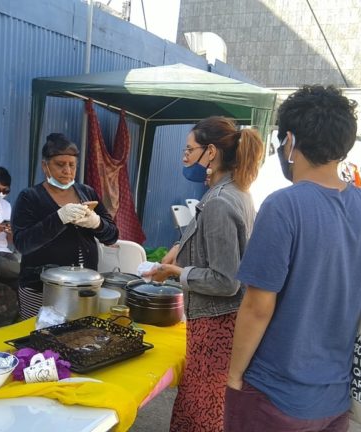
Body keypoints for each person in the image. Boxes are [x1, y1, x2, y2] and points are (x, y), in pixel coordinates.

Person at [225, 85, 361, 432]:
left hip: (274, 395)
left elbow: (258, 305)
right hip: (336, 397)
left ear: (289, 141)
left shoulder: (283, 206)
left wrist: (235, 375)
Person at [144, 117, 264, 432]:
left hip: (217, 326)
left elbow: (226, 280)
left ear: (210, 153)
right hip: (219, 323)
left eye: (189, 149)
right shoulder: (233, 192)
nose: (184, 157)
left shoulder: (220, 202)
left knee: (202, 414)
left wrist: (178, 272)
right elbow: (211, 244)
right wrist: (176, 248)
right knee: (204, 409)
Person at [11, 133, 118, 320]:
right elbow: (22, 243)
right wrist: (59, 217)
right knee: (39, 334)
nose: (67, 171)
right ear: (45, 166)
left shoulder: (87, 192)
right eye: (60, 165)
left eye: (72, 165)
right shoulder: (30, 197)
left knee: (76, 336)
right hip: (41, 287)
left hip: (84, 286)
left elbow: (112, 235)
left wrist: (97, 223)